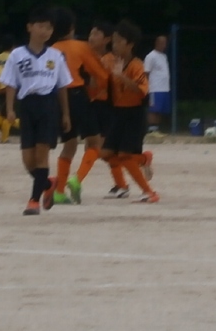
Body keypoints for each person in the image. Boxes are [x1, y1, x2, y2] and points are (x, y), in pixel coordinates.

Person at [50, 11, 128, 204]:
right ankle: (77, 179)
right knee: (95, 143)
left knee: (69, 145)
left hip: (57, 98)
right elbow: (100, 74)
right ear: (71, 28)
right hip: (78, 95)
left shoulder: (51, 49)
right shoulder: (80, 46)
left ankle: (59, 192)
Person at [1, 7, 73, 216]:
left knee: (42, 154)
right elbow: (10, 83)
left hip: (48, 105)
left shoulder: (56, 56)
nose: (45, 31)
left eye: (49, 28)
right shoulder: (17, 55)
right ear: (30, 27)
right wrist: (10, 109)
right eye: (41, 26)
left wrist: (66, 114)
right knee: (28, 159)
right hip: (27, 105)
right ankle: (47, 183)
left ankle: (34, 201)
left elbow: (62, 86)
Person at [70, 21, 134, 200]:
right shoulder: (84, 55)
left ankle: (77, 179)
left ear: (107, 39)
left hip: (106, 107)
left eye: (96, 34)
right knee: (101, 150)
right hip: (91, 105)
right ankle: (122, 184)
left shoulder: (109, 59)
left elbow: (108, 83)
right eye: (91, 33)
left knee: (98, 148)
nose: (91, 37)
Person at [100, 20, 160, 203]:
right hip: (117, 113)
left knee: (125, 157)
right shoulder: (110, 60)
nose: (115, 45)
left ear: (130, 44)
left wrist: (121, 77)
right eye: (114, 41)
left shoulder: (136, 65)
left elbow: (142, 90)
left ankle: (149, 192)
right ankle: (138, 165)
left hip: (134, 115)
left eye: (119, 41)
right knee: (106, 153)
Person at [145, 34, 171, 132]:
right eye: (162, 43)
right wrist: (146, 87)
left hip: (164, 88)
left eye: (165, 43)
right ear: (156, 43)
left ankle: (156, 129)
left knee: (159, 110)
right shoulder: (150, 56)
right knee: (153, 109)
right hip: (154, 88)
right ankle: (151, 130)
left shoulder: (164, 56)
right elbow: (146, 73)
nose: (164, 45)